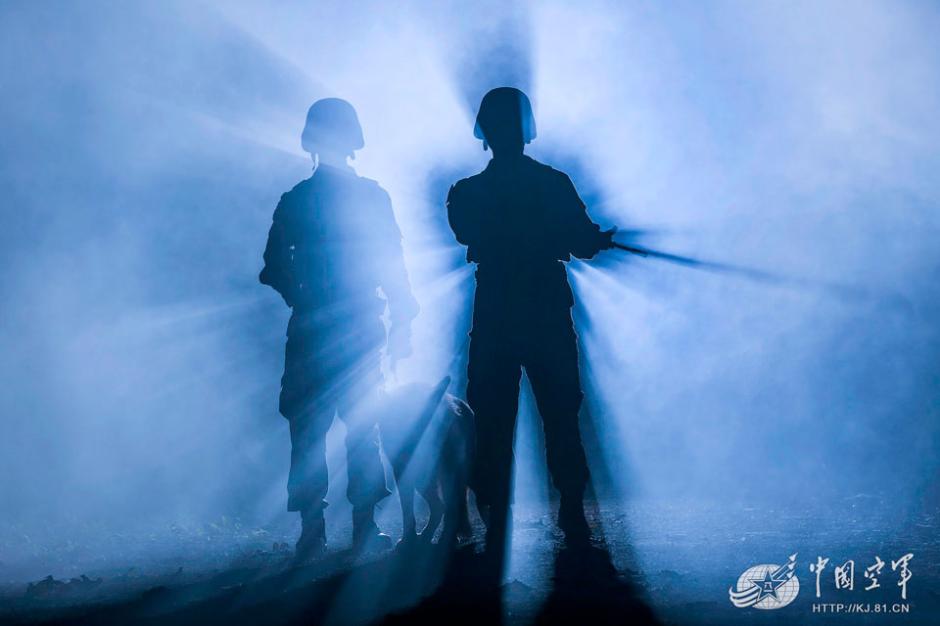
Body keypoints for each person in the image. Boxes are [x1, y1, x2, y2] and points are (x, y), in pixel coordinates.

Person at [446, 87, 615, 561]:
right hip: (543, 310)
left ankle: (496, 509)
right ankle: (571, 509)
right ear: (527, 129)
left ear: (484, 133)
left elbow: (469, 232)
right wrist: (593, 240)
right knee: (560, 412)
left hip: (497, 311)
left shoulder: (465, 193)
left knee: (492, 417)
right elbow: (580, 242)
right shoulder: (553, 183)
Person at [260, 98, 418, 560]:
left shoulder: (296, 200)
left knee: (309, 430)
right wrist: (403, 312)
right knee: (362, 423)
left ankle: (313, 532)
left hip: (313, 324)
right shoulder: (371, 196)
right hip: (358, 325)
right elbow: (391, 265)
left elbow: (271, 268)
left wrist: (302, 297)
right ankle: (364, 527)